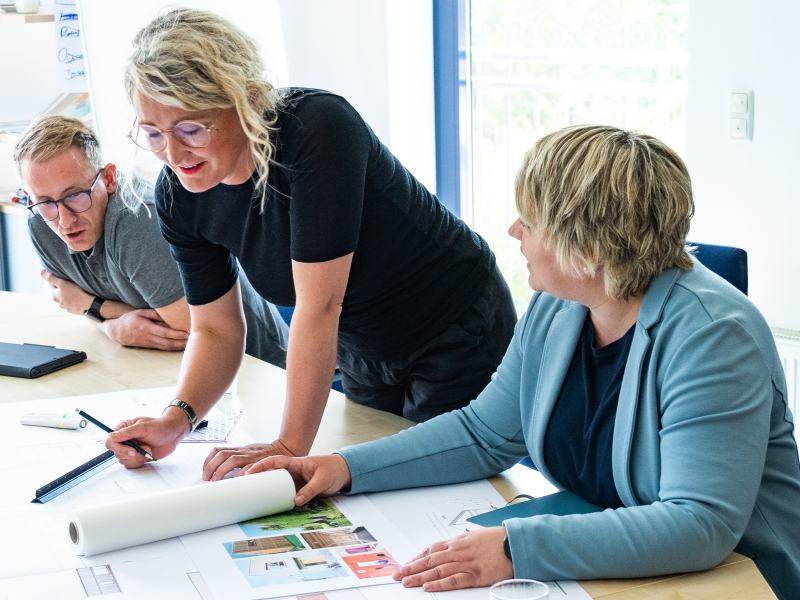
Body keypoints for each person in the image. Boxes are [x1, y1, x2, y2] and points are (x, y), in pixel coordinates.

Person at [242, 125, 800, 600]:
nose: (514, 233)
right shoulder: (559, 303)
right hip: (610, 556)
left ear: (587, 245)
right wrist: (343, 468)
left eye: (529, 221)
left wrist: (516, 548)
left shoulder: (714, 336)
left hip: (733, 579)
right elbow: (485, 433)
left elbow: (699, 524)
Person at [105, 9, 516, 472]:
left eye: (192, 129)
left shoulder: (316, 127)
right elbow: (216, 329)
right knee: (369, 472)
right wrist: (175, 421)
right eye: (153, 134)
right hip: (360, 345)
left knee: (437, 476)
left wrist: (288, 445)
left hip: (452, 324)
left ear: (249, 101)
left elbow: (318, 305)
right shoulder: (179, 195)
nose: (174, 154)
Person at [14, 115, 288, 367]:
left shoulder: (137, 218)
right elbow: (82, 307)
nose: (64, 220)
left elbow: (194, 333)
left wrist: (95, 307)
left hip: (258, 367)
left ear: (109, 178)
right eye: (45, 201)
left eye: (75, 195)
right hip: (160, 367)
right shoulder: (39, 223)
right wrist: (110, 326)